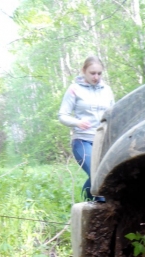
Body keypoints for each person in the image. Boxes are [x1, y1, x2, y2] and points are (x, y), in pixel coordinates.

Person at [58, 56, 114, 202]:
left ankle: (88, 201)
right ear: (84, 71)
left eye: (99, 73)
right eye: (92, 73)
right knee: (97, 175)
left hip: (103, 142)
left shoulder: (107, 90)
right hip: (82, 140)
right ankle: (96, 205)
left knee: (107, 174)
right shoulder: (74, 89)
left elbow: (113, 113)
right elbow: (62, 115)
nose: (96, 77)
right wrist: (77, 122)